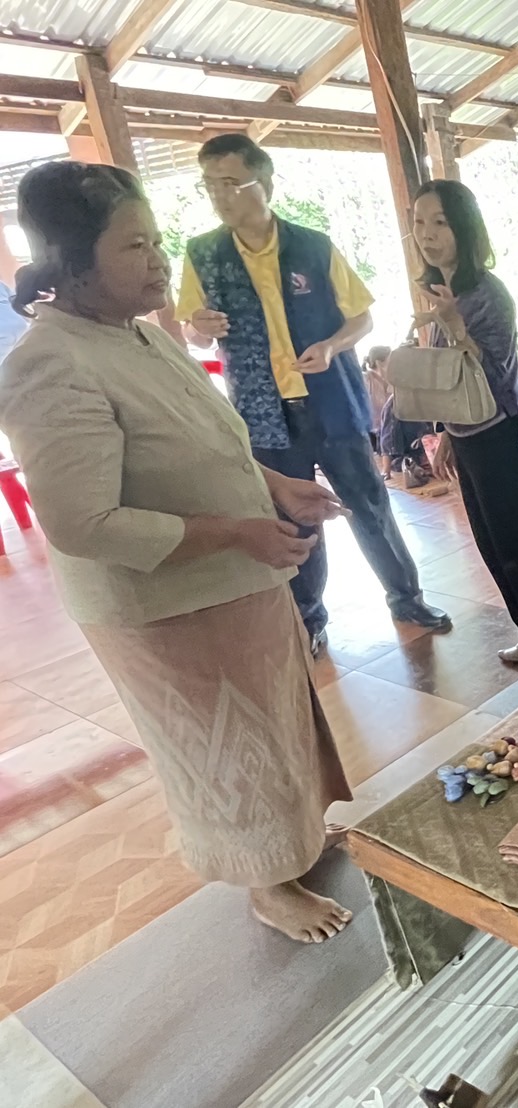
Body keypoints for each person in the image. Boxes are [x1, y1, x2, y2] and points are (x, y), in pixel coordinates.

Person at [0, 161, 355, 943]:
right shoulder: (49, 363)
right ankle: (266, 883)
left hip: (236, 579)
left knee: (275, 726)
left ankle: (290, 845)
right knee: (225, 746)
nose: (160, 260)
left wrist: (273, 487)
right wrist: (233, 531)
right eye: (135, 246)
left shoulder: (136, 336)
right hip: (166, 604)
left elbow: (201, 440)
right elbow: (84, 524)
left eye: (156, 239)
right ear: (72, 261)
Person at [176, 134, 449, 656]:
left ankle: (406, 597)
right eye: (210, 186)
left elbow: (362, 317)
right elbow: (194, 333)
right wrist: (200, 327)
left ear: (266, 184)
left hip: (330, 403)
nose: (220, 196)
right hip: (261, 411)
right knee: (293, 516)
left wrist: (330, 346)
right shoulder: (202, 254)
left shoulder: (312, 246)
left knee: (368, 502)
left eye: (231, 183)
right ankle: (308, 616)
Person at [412, 179, 518, 689]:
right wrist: (448, 439)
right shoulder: (443, 289)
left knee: (516, 544)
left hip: (499, 434)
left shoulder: (486, 294)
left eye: (440, 222)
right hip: (468, 434)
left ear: (463, 228)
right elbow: (448, 380)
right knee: (488, 543)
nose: (428, 234)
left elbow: (494, 372)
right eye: (419, 222)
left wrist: (455, 324)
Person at [362, 344, 391, 457]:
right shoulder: (366, 379)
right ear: (379, 363)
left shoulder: (393, 380)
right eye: (391, 360)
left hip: (387, 432)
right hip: (372, 434)